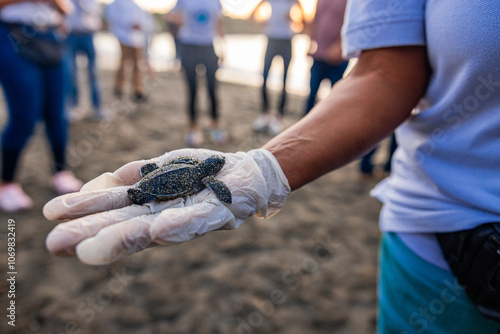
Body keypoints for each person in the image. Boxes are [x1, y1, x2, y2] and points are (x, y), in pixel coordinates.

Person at [44, 1, 500, 332]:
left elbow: (183, 172)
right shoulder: (202, 174)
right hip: (442, 234)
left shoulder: (193, 169)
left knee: (165, 185)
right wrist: (265, 167)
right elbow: (385, 72)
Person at [0, 0, 83, 213]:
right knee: (24, 117)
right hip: (13, 35)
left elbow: (66, 7)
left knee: (58, 114)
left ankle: (60, 172)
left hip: (52, 36)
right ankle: (7, 183)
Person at [166, 0, 227, 147]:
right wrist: (176, 54)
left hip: (208, 47)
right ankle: (193, 128)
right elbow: (170, 18)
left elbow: (219, 24)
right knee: (192, 90)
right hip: (188, 47)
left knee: (212, 89)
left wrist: (224, 48)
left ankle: (215, 126)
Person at [252, 0, 304, 136]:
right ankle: (265, 115)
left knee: (285, 81)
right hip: (271, 40)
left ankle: (279, 118)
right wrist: (263, 21)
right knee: (264, 77)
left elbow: (303, 22)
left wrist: (294, 19)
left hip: (287, 40)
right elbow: (252, 14)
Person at [303, 0, 348, 115]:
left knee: (335, 96)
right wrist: (310, 44)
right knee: (311, 93)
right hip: (319, 55)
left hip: (338, 59)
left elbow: (351, 24)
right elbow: (315, 19)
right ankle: (306, 123)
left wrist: (339, 46)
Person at [105, 0, 152, 103]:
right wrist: (129, 24)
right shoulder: (116, 3)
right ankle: (119, 86)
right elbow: (111, 17)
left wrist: (139, 25)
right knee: (124, 61)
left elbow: (143, 19)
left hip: (136, 37)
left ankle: (138, 89)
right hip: (123, 35)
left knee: (137, 63)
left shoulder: (134, 4)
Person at [65, 0, 105, 120]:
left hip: (88, 35)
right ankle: (73, 107)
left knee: (93, 73)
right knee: (71, 73)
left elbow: (93, 10)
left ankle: (97, 108)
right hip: (70, 35)